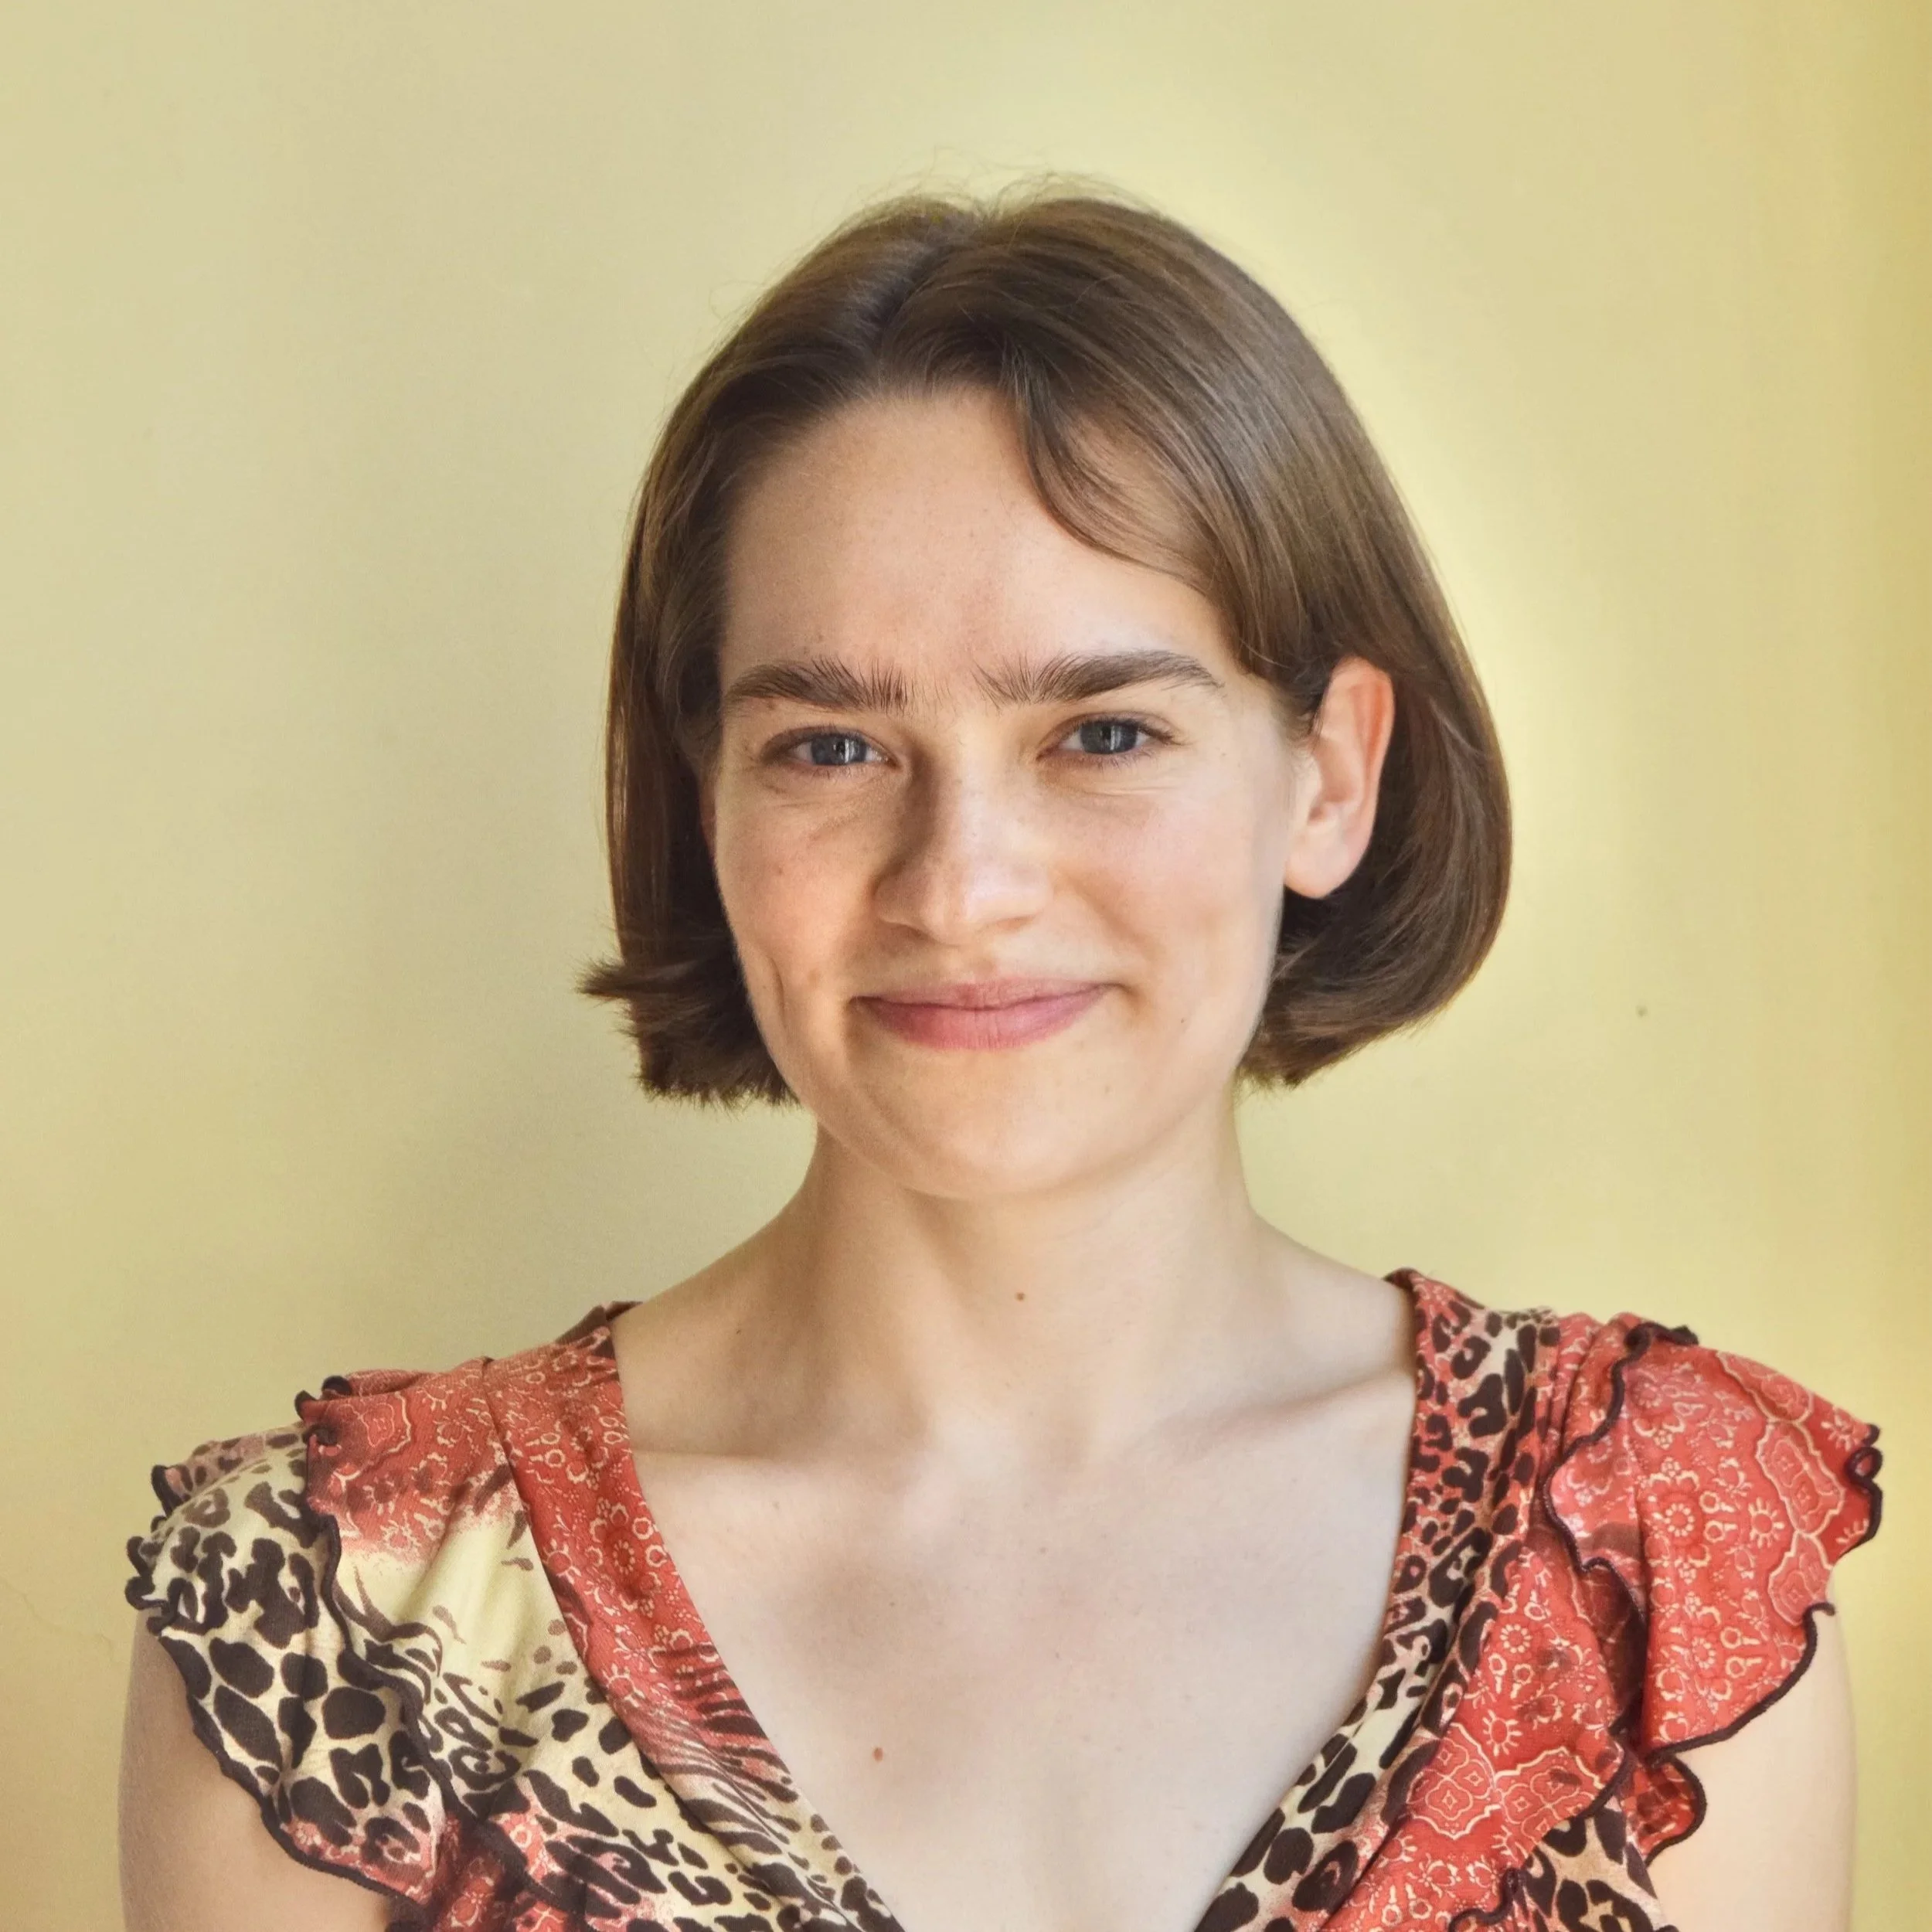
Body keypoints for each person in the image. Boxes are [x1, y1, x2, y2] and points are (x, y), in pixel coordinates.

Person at [120, 190, 1881, 1932]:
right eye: (828, 745)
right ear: (705, 799)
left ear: (1329, 776)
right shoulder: (344, 1605)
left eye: (1101, 731)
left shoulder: (1646, 1554)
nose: (959, 887)